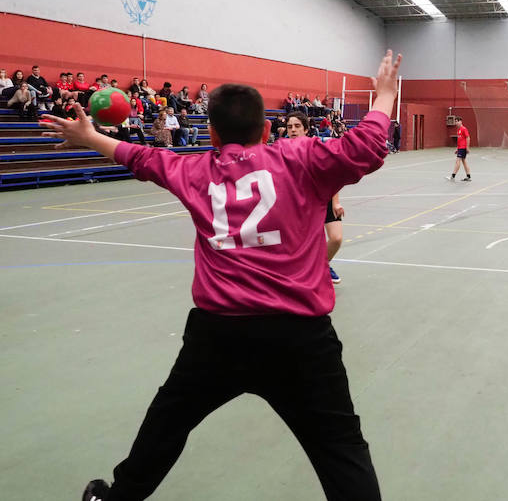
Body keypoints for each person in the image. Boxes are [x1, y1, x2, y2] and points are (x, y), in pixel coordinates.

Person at [42, 50, 401, 501]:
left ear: (211, 133)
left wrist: (91, 137)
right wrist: (385, 94)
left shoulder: (192, 170)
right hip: (300, 339)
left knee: (167, 424)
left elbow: (142, 157)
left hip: (219, 337)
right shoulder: (300, 158)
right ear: (267, 129)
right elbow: (366, 146)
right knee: (340, 446)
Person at [285, 112, 344, 284]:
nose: (293, 130)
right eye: (290, 127)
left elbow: (333, 175)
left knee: (336, 238)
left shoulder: (316, 148)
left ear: (305, 129)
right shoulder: (281, 151)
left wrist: (336, 202)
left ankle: (323, 264)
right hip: (301, 204)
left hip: (324, 199)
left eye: (297, 126)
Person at [447, 115, 471, 181]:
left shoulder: (464, 129)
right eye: (455, 121)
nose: (456, 123)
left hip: (463, 148)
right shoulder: (458, 130)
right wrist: (457, 149)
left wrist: (467, 148)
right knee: (464, 161)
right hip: (460, 148)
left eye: (457, 121)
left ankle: (452, 176)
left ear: (460, 121)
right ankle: (468, 176)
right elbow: (459, 140)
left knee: (458, 161)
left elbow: (468, 137)